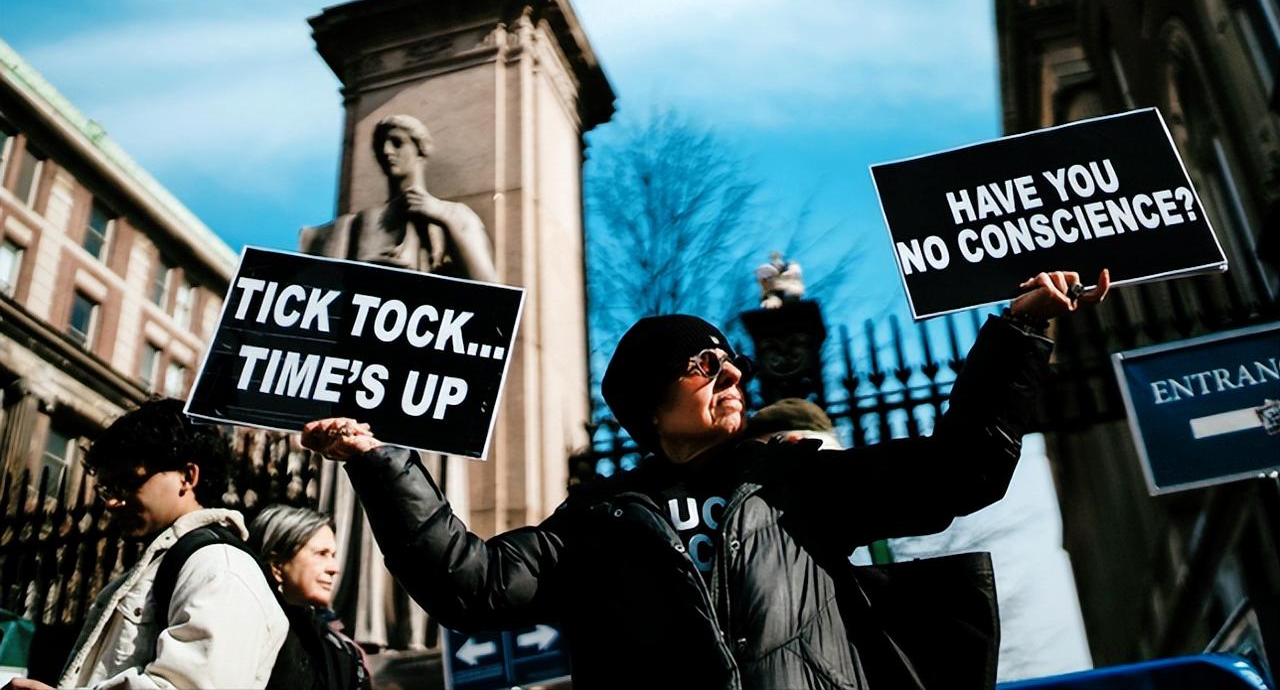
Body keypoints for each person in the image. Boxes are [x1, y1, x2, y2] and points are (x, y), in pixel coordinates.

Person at [302, 269, 1109, 689]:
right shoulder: (599, 519)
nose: (731, 374)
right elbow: (467, 584)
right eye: (703, 363)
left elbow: (960, 472)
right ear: (650, 400)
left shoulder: (795, 479)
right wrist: (380, 459)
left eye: (736, 362)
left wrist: (1019, 329)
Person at [4, 399, 288, 690]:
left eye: (128, 483)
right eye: (107, 489)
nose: (114, 502)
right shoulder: (169, 563)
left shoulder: (220, 567)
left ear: (188, 477)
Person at [299, 113, 499, 283]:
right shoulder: (356, 224)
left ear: (420, 149)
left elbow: (490, 287)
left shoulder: (455, 213)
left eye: (397, 143)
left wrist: (445, 218)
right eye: (381, 146)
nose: (387, 152)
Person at [247, 506, 372, 690]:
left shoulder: (341, 651)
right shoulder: (249, 638)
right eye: (321, 554)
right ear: (277, 566)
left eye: (333, 555)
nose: (334, 568)